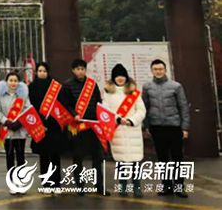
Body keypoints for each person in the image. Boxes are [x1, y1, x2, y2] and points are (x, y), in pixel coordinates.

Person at [142, 58, 190, 198]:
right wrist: (146, 126)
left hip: (174, 127)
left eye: (160, 69)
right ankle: (167, 186)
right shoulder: (147, 87)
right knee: (162, 159)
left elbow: (183, 107)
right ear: (152, 70)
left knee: (177, 158)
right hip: (156, 127)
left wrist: (185, 127)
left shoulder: (176, 86)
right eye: (155, 69)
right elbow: (144, 107)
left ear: (165, 70)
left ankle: (179, 187)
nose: (158, 71)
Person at [61, 58, 108, 196]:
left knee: (97, 157)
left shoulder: (92, 85)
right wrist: (74, 114)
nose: (80, 71)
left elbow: (98, 102)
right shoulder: (67, 85)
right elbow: (65, 105)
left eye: (82, 69)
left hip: (93, 125)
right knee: (78, 157)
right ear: (73, 70)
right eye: (77, 69)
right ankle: (80, 186)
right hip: (77, 126)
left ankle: (99, 186)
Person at [103, 63, 146, 198]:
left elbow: (141, 110)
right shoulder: (108, 93)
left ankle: (137, 187)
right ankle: (123, 186)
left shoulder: (134, 93)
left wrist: (131, 120)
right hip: (118, 130)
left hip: (132, 129)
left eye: (122, 76)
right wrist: (117, 119)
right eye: (117, 76)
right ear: (113, 78)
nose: (120, 78)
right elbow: (106, 110)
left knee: (135, 162)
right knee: (121, 161)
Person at [28, 62, 65, 191]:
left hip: (54, 126)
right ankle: (46, 182)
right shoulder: (32, 87)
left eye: (44, 71)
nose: (42, 73)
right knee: (43, 155)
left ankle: (56, 181)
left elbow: (61, 105)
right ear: (36, 72)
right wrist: (39, 123)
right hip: (40, 125)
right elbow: (31, 106)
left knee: (55, 155)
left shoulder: (55, 87)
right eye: (40, 71)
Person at [0, 71, 30, 191]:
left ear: (18, 82)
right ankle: (12, 184)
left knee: (21, 158)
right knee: (9, 157)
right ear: (6, 82)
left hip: (20, 131)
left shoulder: (23, 96)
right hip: (7, 131)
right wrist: (6, 121)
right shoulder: (0, 95)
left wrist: (19, 122)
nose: (13, 83)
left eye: (15, 81)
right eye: (11, 80)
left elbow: (28, 109)